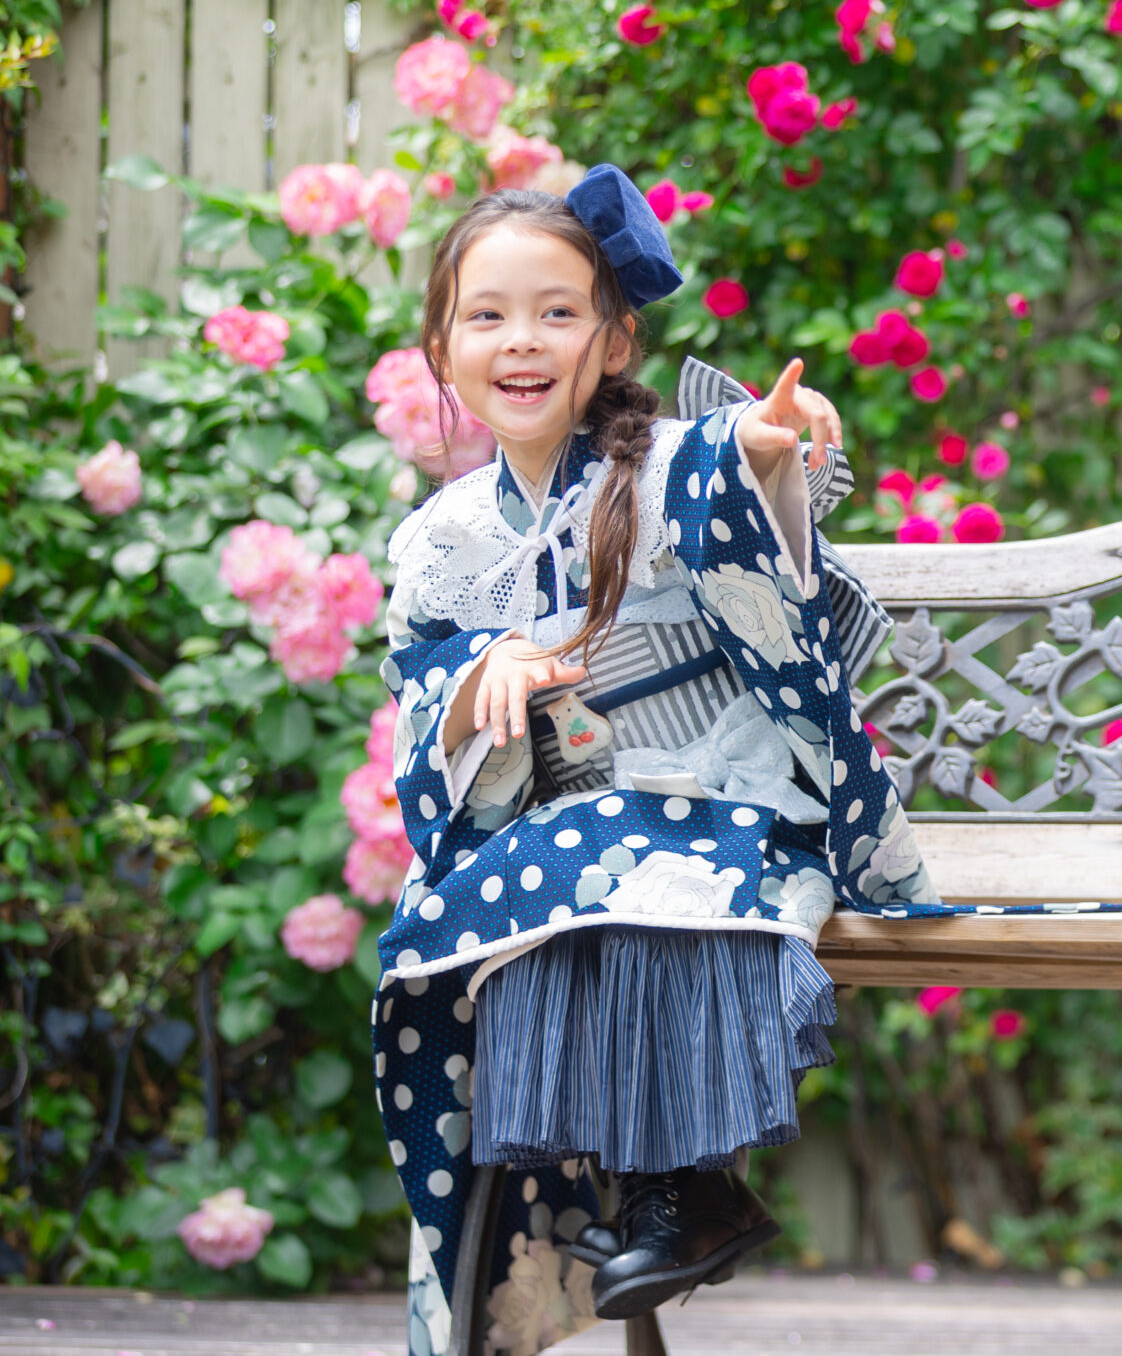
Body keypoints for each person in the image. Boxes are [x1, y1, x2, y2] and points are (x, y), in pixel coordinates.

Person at [372, 166, 947, 1354]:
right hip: (564, 815)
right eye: (486, 316)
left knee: (607, 864)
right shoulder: (440, 537)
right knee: (490, 900)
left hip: (722, 790)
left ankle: (678, 1191)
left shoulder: (668, 464)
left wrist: (761, 448)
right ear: (441, 349)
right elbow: (417, 680)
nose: (520, 341)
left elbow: (728, 480)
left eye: (557, 312)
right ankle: (660, 1199)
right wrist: (479, 671)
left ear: (616, 338)